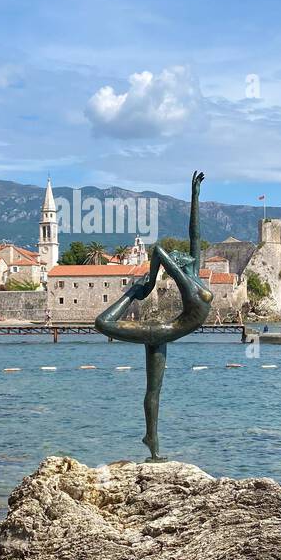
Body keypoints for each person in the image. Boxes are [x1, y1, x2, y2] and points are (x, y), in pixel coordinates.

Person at [95, 171, 212, 461]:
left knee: (154, 391)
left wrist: (195, 196)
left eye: (180, 256)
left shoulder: (193, 274)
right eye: (178, 257)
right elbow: (159, 250)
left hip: (164, 333)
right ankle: (132, 294)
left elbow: (194, 234)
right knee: (101, 324)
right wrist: (147, 284)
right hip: (160, 332)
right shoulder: (187, 284)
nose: (180, 255)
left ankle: (152, 441)